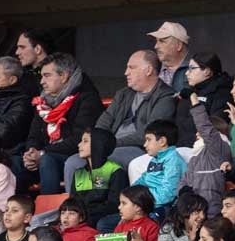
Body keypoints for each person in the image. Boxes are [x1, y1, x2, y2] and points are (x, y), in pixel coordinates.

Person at [74, 49, 175, 186]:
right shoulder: (123, 94)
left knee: (105, 160)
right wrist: (97, 142)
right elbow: (105, 120)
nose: (126, 72)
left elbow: (149, 134)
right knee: (73, 162)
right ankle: (77, 204)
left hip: (140, 148)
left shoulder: (165, 96)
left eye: (132, 68)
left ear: (148, 70)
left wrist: (108, 145)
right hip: (110, 146)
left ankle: (98, 201)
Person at [22, 53, 106, 195]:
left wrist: (42, 153)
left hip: (74, 155)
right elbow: (33, 135)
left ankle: (49, 212)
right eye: (41, 76)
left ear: (64, 76)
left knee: (47, 160)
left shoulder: (87, 98)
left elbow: (79, 139)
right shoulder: (44, 100)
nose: (42, 81)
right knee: (15, 164)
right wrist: (31, 152)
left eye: (47, 75)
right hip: (46, 155)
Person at [69, 129, 127, 228]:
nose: (79, 145)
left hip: (100, 218)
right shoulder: (79, 173)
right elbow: (73, 202)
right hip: (81, 217)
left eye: (85, 141)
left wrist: (85, 213)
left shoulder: (115, 171)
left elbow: (114, 205)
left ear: (98, 144)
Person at [176, 51, 233, 146]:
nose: (186, 73)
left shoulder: (222, 93)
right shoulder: (189, 92)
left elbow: (216, 126)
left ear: (207, 71)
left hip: (204, 148)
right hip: (179, 147)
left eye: (192, 69)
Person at [131, 120, 187, 215]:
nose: (145, 144)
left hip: (163, 209)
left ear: (162, 141)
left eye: (148, 140)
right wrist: (130, 194)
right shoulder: (155, 159)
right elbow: (144, 179)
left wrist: (142, 199)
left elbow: (168, 194)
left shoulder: (173, 160)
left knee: (105, 224)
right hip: (148, 204)